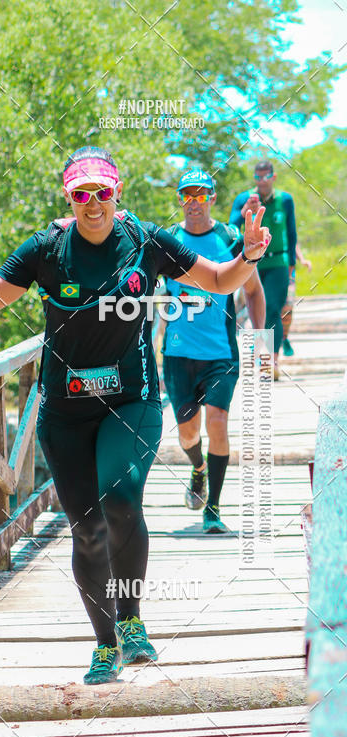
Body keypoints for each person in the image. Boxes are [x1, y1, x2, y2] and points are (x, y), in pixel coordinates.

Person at [0, 146, 270, 685]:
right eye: (82, 194)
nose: (93, 203)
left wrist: (248, 257)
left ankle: (132, 620)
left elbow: (218, 280)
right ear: (68, 197)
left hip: (131, 402)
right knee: (87, 529)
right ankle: (104, 644)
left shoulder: (147, 242)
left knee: (119, 502)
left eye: (103, 193)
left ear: (118, 194)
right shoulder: (46, 249)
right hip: (65, 413)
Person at [162, 169, 265, 534]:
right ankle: (198, 469)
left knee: (217, 422)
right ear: (180, 200)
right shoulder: (169, 240)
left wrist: (259, 340)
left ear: (212, 199)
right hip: (177, 355)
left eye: (201, 195)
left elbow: (252, 291)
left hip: (221, 353)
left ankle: (214, 508)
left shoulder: (230, 238)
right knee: (188, 434)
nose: (193, 203)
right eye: (186, 196)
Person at [230, 159, 297, 378]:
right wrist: (244, 212)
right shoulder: (245, 198)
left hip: (278, 262)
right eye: (257, 177)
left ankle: (272, 361)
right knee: (256, 310)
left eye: (265, 176)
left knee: (273, 310)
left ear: (273, 177)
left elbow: (292, 232)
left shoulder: (285, 200)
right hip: (252, 263)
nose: (261, 181)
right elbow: (230, 229)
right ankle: (259, 356)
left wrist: (292, 266)